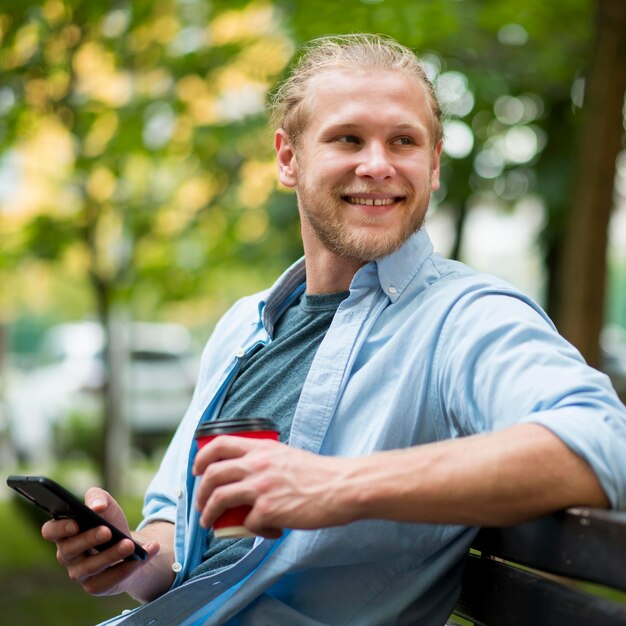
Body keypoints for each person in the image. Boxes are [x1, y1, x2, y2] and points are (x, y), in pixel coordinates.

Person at [42, 33, 626, 626]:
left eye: (403, 141)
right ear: (288, 158)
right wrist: (131, 557)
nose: (377, 165)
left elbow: (600, 440)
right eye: (348, 138)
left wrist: (336, 485)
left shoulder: (468, 315)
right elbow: (182, 540)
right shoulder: (244, 325)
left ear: (433, 162)